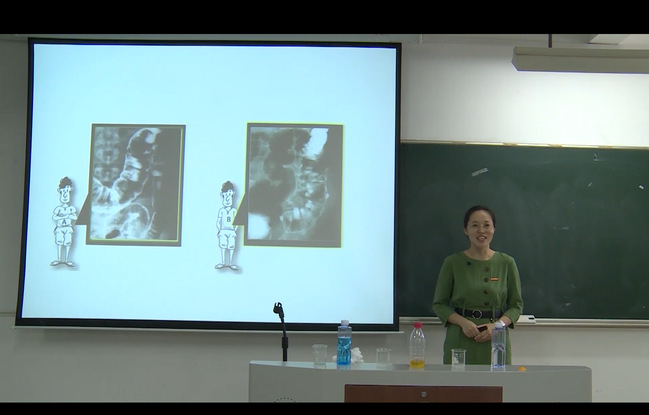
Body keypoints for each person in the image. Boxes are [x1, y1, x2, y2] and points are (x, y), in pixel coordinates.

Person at [432, 205, 523, 365]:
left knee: (497, 380)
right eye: (475, 225)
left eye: (487, 225)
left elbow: (516, 306)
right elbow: (439, 305)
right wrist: (463, 323)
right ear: (466, 230)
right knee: (458, 381)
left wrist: (497, 326)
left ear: (494, 229)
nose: (481, 230)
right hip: (461, 336)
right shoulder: (453, 263)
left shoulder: (507, 263)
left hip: (496, 339)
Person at [51, 176, 78, 267]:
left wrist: (67, 216)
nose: (65, 195)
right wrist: (64, 216)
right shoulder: (58, 209)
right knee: (59, 242)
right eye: (63, 192)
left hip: (68, 228)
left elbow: (74, 217)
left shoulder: (71, 208)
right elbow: (54, 217)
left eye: (67, 192)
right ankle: (59, 259)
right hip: (59, 228)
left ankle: (66, 260)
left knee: (67, 242)